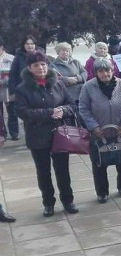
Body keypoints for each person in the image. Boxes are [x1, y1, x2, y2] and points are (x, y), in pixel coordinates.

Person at [15, 51, 79, 217]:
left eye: (43, 64)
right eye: (36, 65)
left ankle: (68, 201)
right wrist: (49, 112)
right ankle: (48, 203)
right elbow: (22, 111)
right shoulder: (22, 89)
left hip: (60, 134)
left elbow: (71, 104)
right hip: (38, 135)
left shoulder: (57, 83)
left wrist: (63, 111)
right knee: (43, 172)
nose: (41, 68)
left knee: (63, 170)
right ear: (29, 68)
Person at [79, 59, 121, 203]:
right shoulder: (88, 87)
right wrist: (94, 127)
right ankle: (102, 192)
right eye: (101, 71)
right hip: (99, 134)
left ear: (113, 70)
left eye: (108, 70)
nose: (105, 73)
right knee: (99, 165)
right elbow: (83, 109)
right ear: (96, 73)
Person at [0, 38, 15, 144]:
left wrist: (5, 81)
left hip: (8, 89)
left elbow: (15, 74)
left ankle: (14, 133)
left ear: (2, 47)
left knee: (12, 111)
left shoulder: (11, 58)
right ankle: (2, 133)